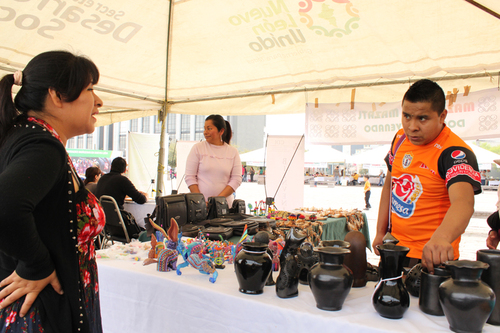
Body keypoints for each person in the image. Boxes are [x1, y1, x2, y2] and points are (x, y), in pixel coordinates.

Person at [0, 51, 104, 331]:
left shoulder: (22, 136)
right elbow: (5, 207)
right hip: (41, 313)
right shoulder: (43, 147)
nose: (99, 101)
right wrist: (37, 266)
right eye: (90, 89)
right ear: (57, 96)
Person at [372, 79, 481, 274]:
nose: (412, 126)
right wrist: (381, 231)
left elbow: (463, 202)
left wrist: (442, 238)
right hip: (394, 248)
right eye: (406, 116)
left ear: (442, 116)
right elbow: (390, 185)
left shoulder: (455, 153)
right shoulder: (399, 139)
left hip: (431, 256)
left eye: (422, 118)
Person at [185, 114, 242, 207]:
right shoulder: (198, 148)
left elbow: (236, 179)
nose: (205, 132)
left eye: (209, 128)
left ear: (221, 131)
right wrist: (201, 201)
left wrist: (217, 201)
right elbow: (190, 177)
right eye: (205, 129)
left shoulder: (233, 152)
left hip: (225, 205)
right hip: (200, 206)